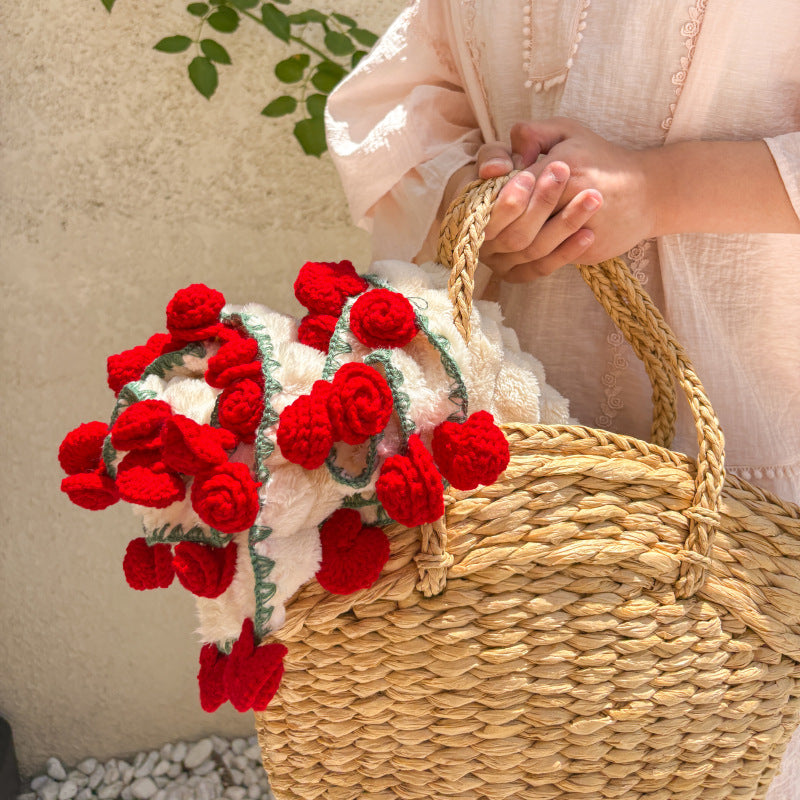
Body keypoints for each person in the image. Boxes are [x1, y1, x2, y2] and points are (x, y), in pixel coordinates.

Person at [324, 1, 800, 796]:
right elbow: (407, 92)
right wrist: (480, 202)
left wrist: (659, 189)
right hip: (514, 444)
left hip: (756, 419)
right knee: (509, 743)